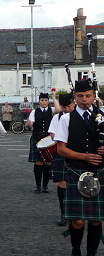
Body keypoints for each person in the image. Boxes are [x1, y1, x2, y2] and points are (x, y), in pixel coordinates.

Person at [54, 79, 104, 256]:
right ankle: (75, 253)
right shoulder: (65, 119)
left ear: (94, 97)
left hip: (98, 173)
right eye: (81, 96)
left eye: (88, 96)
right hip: (76, 171)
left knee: (95, 222)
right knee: (77, 221)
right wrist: (84, 156)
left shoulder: (103, 117)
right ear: (75, 97)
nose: (84, 100)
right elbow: (61, 149)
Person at [48, 93, 75, 226]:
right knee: (63, 183)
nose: (66, 109)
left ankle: (77, 212)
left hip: (79, 151)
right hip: (63, 151)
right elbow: (53, 135)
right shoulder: (57, 117)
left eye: (69, 106)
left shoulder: (81, 116)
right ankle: (63, 213)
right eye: (63, 107)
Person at [27, 92, 59, 193]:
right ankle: (38, 185)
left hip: (49, 140)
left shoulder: (52, 110)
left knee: (48, 164)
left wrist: (54, 97)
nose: (44, 102)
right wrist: (29, 124)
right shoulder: (34, 111)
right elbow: (30, 124)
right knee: (38, 162)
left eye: (45, 100)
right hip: (37, 138)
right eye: (42, 100)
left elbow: (59, 110)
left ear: (48, 101)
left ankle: (45, 186)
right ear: (39, 101)